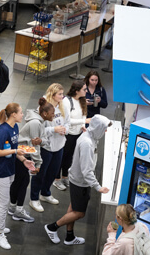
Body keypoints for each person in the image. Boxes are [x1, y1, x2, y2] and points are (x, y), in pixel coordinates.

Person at [44, 114, 110, 245]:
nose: (106, 131)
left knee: (73, 208)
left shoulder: (88, 137)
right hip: (80, 182)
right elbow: (86, 170)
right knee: (79, 213)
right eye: (104, 128)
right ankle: (52, 227)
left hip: (76, 178)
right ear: (97, 128)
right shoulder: (87, 143)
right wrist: (98, 187)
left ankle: (69, 236)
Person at [0, 103, 35, 250]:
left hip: (9, 169)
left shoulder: (14, 127)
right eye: (21, 112)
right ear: (13, 114)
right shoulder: (2, 131)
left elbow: (14, 149)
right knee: (3, 203)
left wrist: (24, 160)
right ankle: (0, 233)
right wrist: (15, 153)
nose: (23, 115)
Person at [8, 98, 55, 223]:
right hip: (22, 156)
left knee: (19, 182)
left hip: (23, 154)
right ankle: (18, 210)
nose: (54, 116)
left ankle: (13, 207)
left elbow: (43, 140)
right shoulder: (36, 123)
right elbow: (35, 146)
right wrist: (38, 164)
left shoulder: (41, 122)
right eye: (52, 113)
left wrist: (41, 141)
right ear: (45, 113)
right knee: (22, 183)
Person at [29, 83, 69, 213]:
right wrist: (54, 129)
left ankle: (45, 193)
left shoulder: (63, 108)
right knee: (40, 173)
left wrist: (65, 130)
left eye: (63, 94)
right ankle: (34, 198)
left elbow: (68, 122)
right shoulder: (43, 108)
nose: (62, 97)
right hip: (46, 147)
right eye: (60, 94)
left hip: (59, 145)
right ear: (52, 94)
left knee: (53, 171)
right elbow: (38, 129)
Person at [53, 80, 91, 191]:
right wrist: (83, 121)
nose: (86, 91)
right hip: (67, 134)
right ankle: (57, 179)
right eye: (84, 89)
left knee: (70, 157)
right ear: (77, 90)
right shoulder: (67, 101)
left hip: (77, 134)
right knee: (62, 156)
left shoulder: (82, 101)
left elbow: (84, 115)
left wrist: (83, 124)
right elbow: (67, 120)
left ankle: (65, 176)